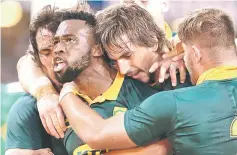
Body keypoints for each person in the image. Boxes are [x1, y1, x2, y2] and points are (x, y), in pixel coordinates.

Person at [58, 8, 237, 155]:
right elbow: (31, 63)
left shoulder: (191, 63)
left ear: (152, 41)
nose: (123, 68)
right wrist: (46, 92)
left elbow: (220, 41)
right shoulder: (114, 83)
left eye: (128, 56)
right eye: (114, 61)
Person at [7, 4, 170, 155]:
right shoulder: (33, 107)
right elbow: (25, 63)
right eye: (46, 51)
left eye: (69, 40)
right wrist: (45, 92)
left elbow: (172, 144)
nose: (56, 52)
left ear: (98, 48)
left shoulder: (162, 85)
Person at [5, 6, 67, 155]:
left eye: (63, 48)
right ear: (37, 59)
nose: (55, 60)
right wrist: (45, 92)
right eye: (46, 52)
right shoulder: (27, 110)